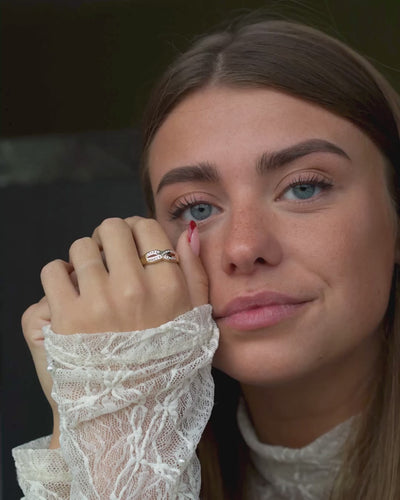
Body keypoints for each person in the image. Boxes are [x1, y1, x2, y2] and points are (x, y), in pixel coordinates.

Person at [12, 17, 400, 500]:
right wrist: (103, 423)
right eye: (197, 209)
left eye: (304, 188)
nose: (244, 249)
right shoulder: (123, 430)